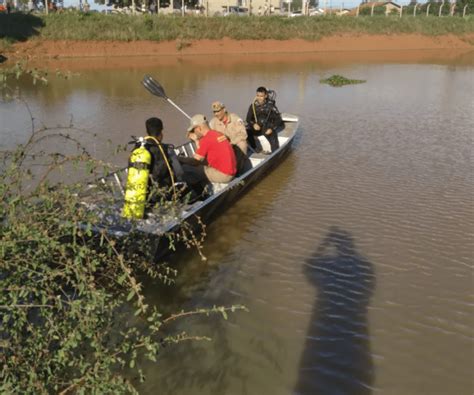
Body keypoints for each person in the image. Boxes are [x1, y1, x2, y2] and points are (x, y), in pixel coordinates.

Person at [180, 114, 237, 194]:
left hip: (224, 175)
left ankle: (198, 194)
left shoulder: (206, 139)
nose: (194, 132)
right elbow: (203, 155)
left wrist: (179, 159)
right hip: (232, 171)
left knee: (185, 169)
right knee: (200, 166)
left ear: (199, 128)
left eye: (193, 130)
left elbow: (195, 161)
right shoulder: (217, 133)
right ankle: (203, 185)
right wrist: (197, 140)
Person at [142, 117, 184, 199]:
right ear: (161, 132)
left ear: (147, 132)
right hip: (164, 194)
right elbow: (179, 172)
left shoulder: (140, 147)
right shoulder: (165, 149)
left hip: (146, 196)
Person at [209, 101, 250, 175]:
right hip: (222, 147)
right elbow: (209, 137)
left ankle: (238, 171)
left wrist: (231, 143)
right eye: (214, 112)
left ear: (224, 109)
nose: (216, 114)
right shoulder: (212, 122)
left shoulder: (235, 119)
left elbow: (243, 134)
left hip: (235, 145)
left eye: (218, 111)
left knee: (242, 144)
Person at [246, 86, 284, 153]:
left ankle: (275, 153)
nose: (259, 98)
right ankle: (255, 148)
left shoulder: (271, 106)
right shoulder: (253, 106)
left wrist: (271, 129)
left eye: (261, 96)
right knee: (247, 131)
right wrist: (254, 124)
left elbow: (278, 119)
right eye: (258, 95)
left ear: (265, 96)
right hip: (257, 127)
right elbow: (248, 119)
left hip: (267, 128)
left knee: (273, 139)